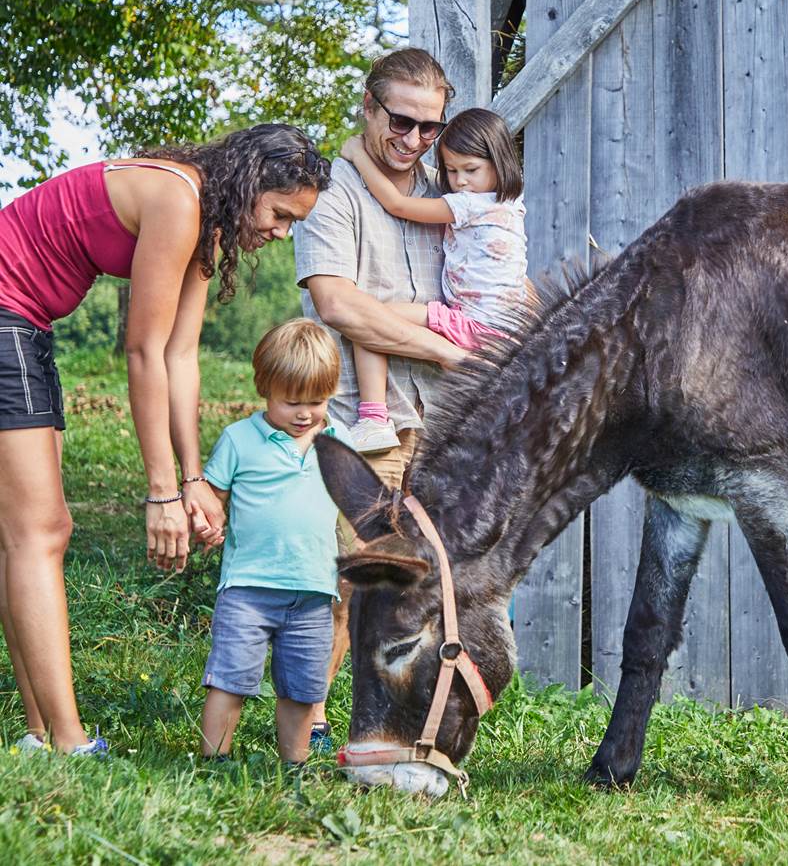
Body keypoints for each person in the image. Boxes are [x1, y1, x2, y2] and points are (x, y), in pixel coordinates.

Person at [0, 125, 331, 754]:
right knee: (39, 532)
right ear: (250, 185)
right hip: (6, 314)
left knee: (23, 534)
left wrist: (193, 479)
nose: (283, 232)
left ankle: (40, 733)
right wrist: (160, 495)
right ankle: (67, 741)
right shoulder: (179, 201)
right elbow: (144, 351)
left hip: (25, 324)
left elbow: (181, 356)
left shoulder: (205, 223)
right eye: (281, 214)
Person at [293, 48, 467, 749]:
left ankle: (411, 721)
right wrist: (445, 348)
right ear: (368, 106)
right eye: (401, 121)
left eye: (430, 127)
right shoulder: (332, 191)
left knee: (437, 586)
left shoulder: (449, 188)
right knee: (346, 587)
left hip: (446, 421)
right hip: (365, 426)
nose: (415, 139)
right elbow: (339, 305)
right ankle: (307, 726)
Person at [338, 107, 527, 453]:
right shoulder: (512, 206)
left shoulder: (470, 205)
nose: (460, 181)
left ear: (499, 163)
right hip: (504, 333)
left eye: (470, 170)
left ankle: (374, 418)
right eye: (451, 171)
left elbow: (397, 204)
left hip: (473, 325)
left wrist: (357, 155)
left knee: (371, 319)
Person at [198, 319, 343, 764]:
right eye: (291, 402)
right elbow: (212, 498)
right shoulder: (239, 440)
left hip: (314, 591)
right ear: (265, 389)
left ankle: (293, 765)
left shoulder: (338, 441)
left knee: (302, 690)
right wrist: (207, 523)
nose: (304, 414)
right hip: (249, 588)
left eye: (316, 402)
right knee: (231, 680)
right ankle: (215, 761)